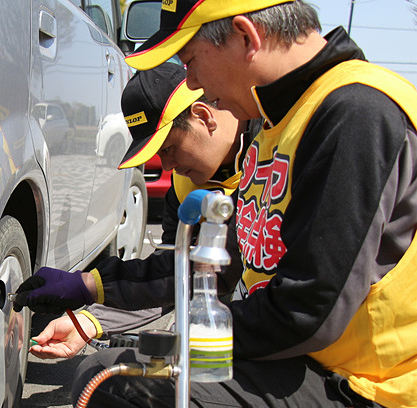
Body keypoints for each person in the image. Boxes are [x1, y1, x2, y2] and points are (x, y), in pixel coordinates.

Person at [15, 2, 417, 408]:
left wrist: (174, 347)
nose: (193, 80)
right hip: (308, 371)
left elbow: (307, 312)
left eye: (192, 59)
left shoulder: (356, 114)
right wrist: (92, 293)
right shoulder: (277, 127)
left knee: (121, 389)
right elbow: (221, 271)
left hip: (371, 405)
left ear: (245, 37)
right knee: (104, 384)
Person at [28, 62, 260, 359]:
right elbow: (175, 274)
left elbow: (212, 274)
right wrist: (91, 321)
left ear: (202, 117)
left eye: (168, 148)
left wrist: (88, 284)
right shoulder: (184, 184)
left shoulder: (268, 155)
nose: (166, 165)